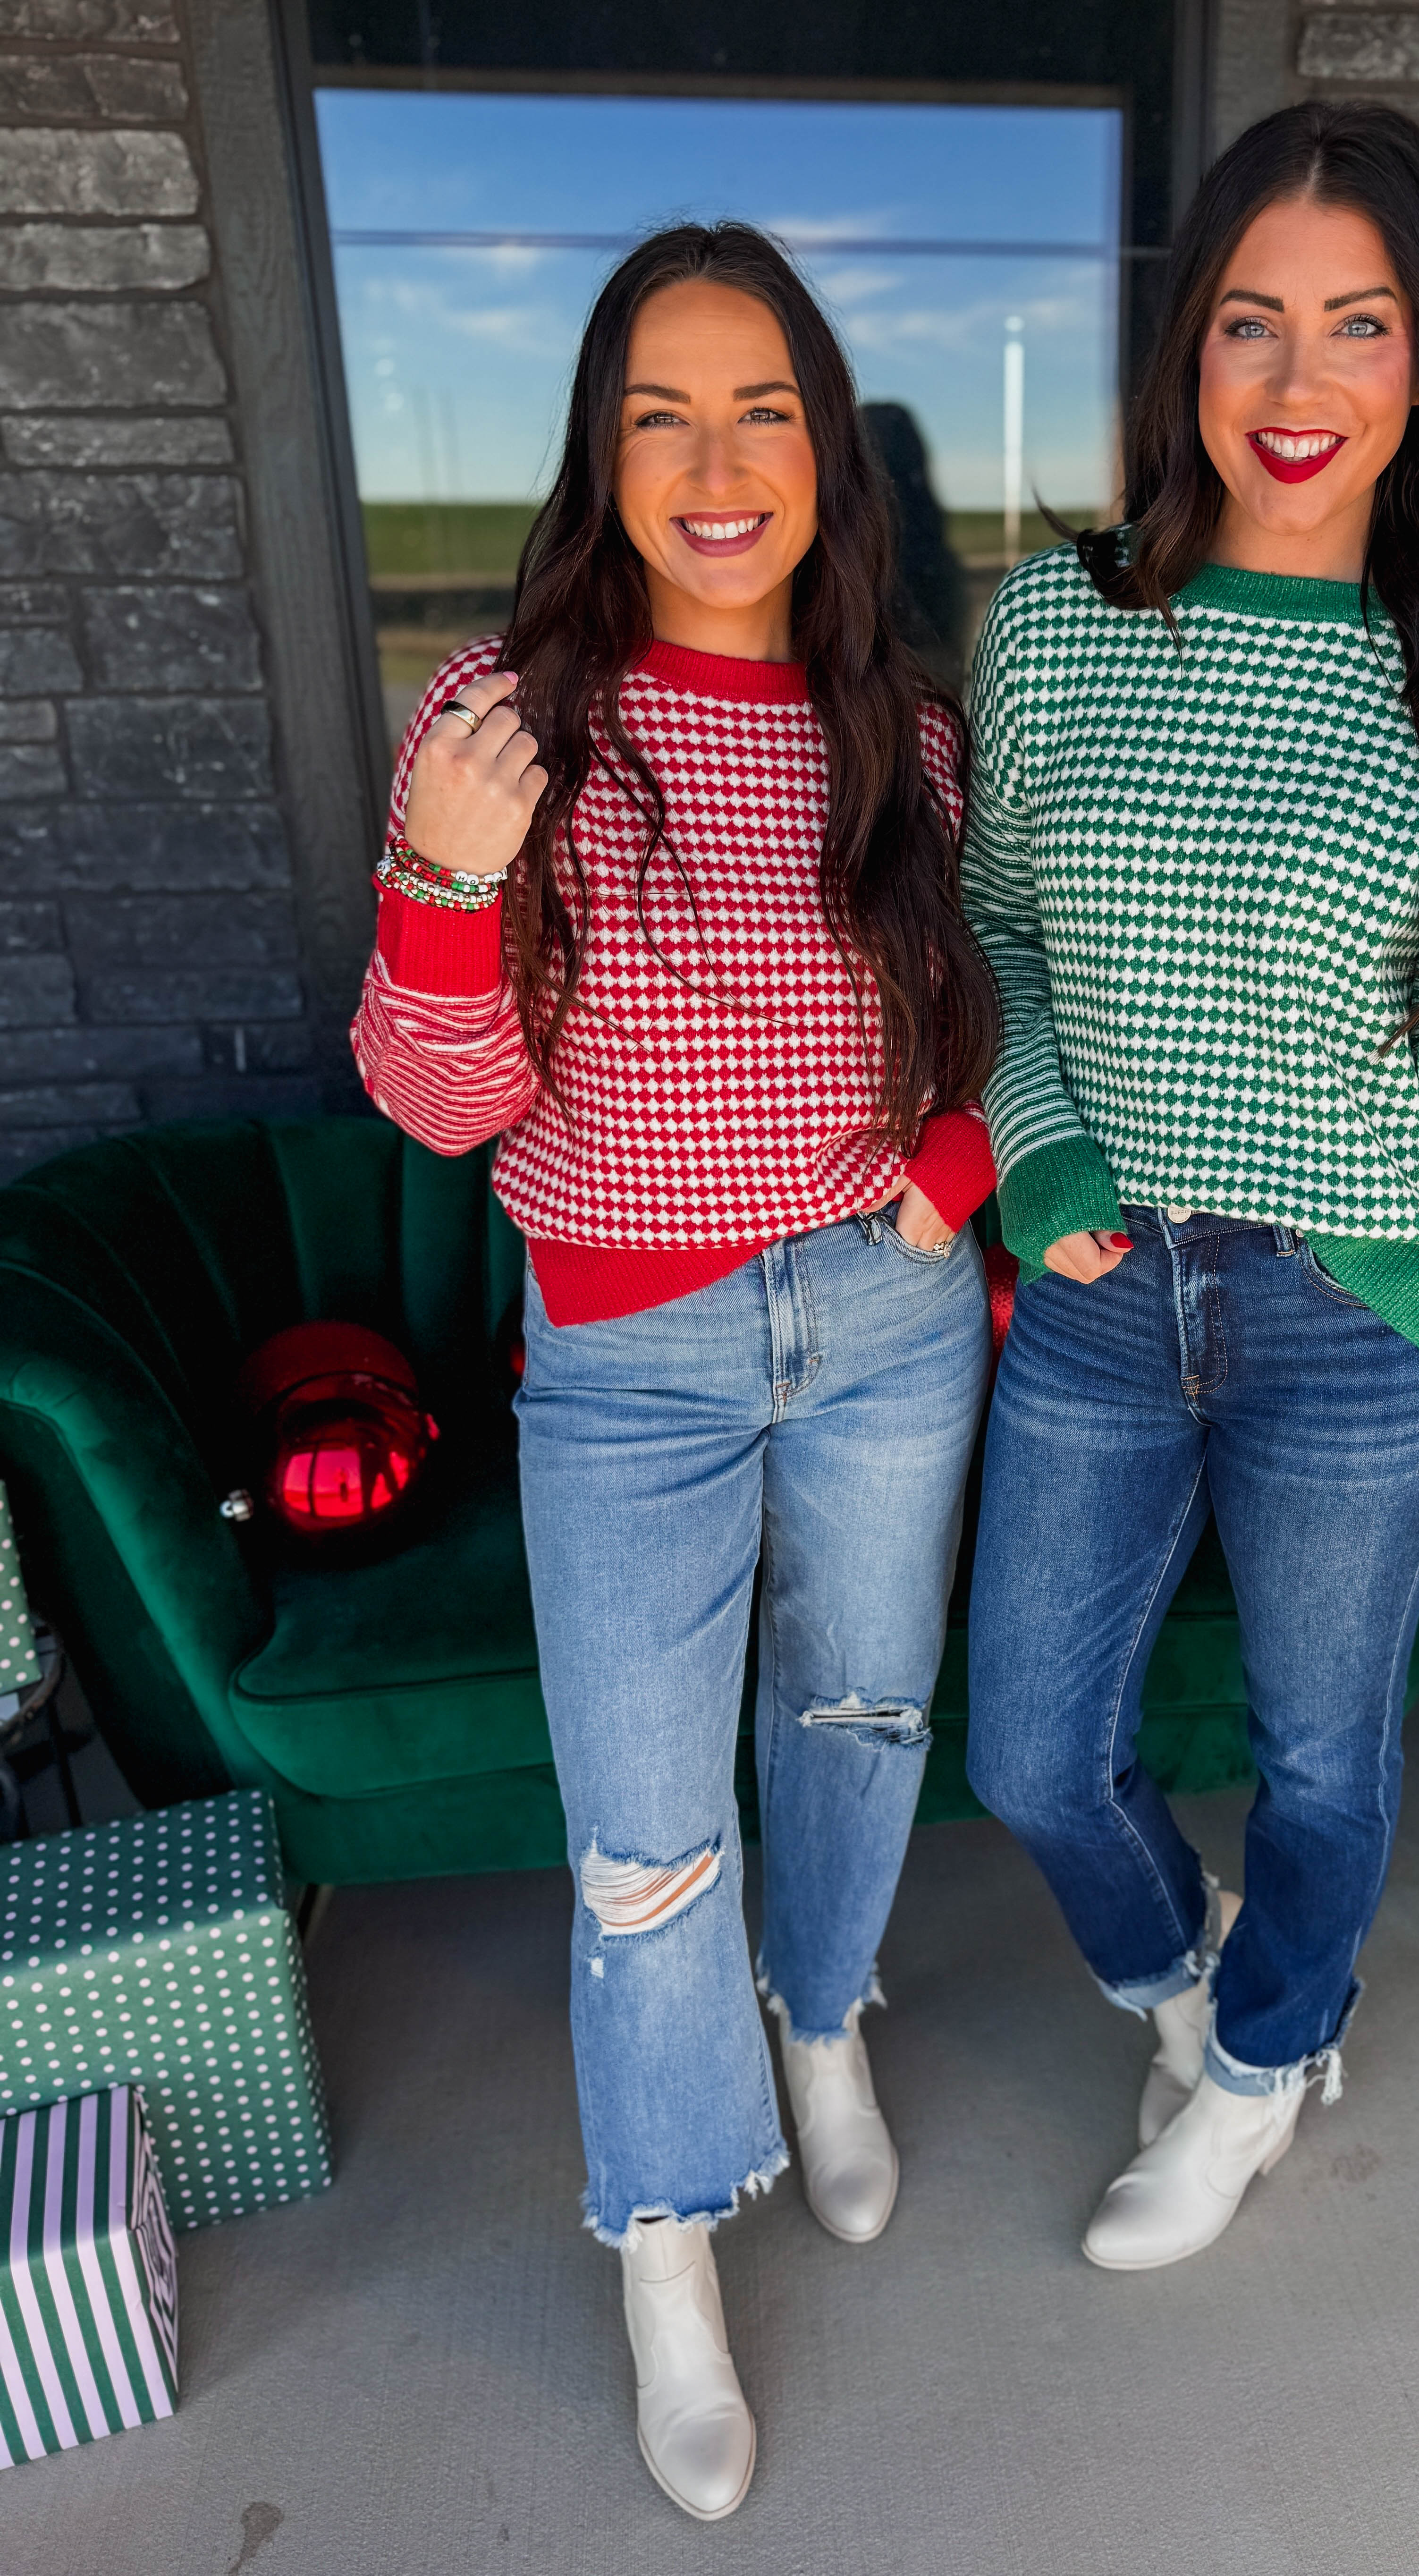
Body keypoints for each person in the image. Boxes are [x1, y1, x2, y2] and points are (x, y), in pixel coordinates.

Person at [961, 100, 1419, 2272]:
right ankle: (1196, 1986)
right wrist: (1038, 1145)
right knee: (1031, 1754)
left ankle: (1265, 2070)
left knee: (1325, 1761)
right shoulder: (1055, 626)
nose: (1299, 381)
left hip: (1359, 1302)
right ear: (1188, 345)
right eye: (1251, 321)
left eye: (1360, 324)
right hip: (1105, 1286)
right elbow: (997, 933)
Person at [352, 223, 998, 2517]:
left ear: (826, 452)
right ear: (600, 454)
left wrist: (953, 1163)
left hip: (891, 1320)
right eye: (662, 414)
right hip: (628, 1358)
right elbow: (438, 1104)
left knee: (863, 1716)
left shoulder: (903, 729)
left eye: (762, 411)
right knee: (643, 1838)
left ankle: (822, 2024)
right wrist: (444, 887)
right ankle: (667, 2243)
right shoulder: (506, 720)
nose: (717, 466)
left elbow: (983, 996)